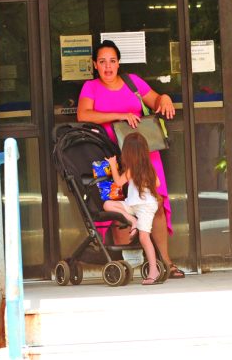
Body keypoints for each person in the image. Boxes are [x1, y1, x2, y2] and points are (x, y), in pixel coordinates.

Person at [77, 39, 186, 278]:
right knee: (120, 210)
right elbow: (83, 114)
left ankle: (166, 262)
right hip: (110, 153)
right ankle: (136, 266)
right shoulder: (91, 87)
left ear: (119, 63)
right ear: (95, 64)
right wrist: (121, 115)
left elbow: (155, 100)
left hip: (142, 153)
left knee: (153, 204)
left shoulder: (132, 81)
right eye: (102, 62)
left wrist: (164, 98)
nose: (108, 67)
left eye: (112, 61)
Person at [103, 133, 162, 285]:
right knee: (108, 204)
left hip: (145, 207)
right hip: (133, 205)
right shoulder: (148, 168)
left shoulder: (131, 170)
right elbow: (157, 184)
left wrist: (112, 164)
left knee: (144, 237)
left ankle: (154, 270)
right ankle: (132, 221)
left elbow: (117, 182)